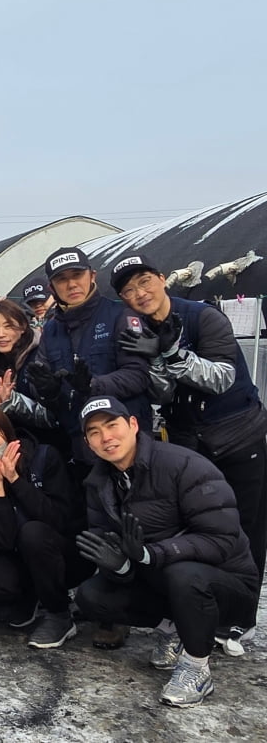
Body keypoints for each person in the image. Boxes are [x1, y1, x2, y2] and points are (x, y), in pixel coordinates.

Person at [112, 254, 267, 647]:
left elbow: (221, 377)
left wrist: (173, 354)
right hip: (187, 443)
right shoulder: (138, 329)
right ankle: (194, 607)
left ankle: (239, 617)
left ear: (163, 279)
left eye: (145, 281)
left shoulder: (204, 317)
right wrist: (157, 360)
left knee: (243, 529)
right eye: (128, 290)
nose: (139, 293)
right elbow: (161, 392)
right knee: (191, 526)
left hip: (236, 436)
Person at [72, 396, 258, 707]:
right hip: (161, 579)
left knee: (183, 573)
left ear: (133, 425)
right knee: (92, 595)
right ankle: (175, 629)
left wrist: (150, 554)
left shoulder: (183, 464)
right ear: (89, 443)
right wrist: (120, 566)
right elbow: (104, 541)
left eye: (112, 425)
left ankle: (197, 667)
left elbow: (222, 538)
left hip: (227, 583)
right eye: (94, 432)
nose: (106, 437)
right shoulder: (99, 483)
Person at [0, 403, 88, 649]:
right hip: (18, 555)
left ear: (7, 431)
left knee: (33, 533)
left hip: (63, 554)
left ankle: (59, 614)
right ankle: (30, 595)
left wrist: (15, 481)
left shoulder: (44, 456)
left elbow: (58, 520)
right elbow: (1, 543)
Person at [26, 247, 151, 471]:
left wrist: (94, 385)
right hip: (80, 446)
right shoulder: (51, 330)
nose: (71, 284)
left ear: (92, 276)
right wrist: (49, 391)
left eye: (77, 275)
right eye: (62, 279)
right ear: (51, 288)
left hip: (128, 443)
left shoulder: (121, 316)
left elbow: (139, 375)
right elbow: (40, 381)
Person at [0, 300, 57, 435]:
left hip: (47, 446)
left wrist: (12, 401)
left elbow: (52, 417)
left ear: (22, 328)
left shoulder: (39, 359)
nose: (1, 334)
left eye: (8, 326)